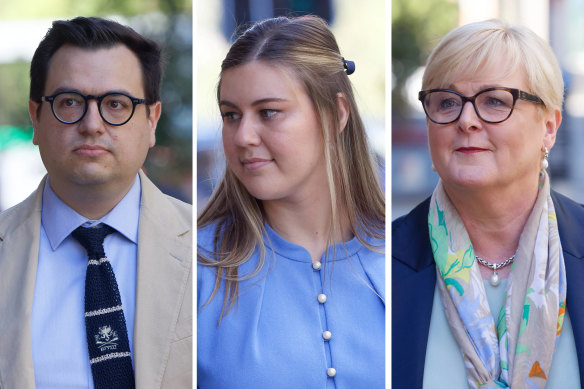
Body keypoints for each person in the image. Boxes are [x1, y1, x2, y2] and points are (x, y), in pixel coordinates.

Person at [0, 17, 192, 388]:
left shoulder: (206, 249)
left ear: (152, 120)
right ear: (35, 116)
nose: (92, 124)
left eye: (116, 104)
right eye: (70, 102)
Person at [392, 19, 584, 388]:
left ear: (549, 126)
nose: (466, 120)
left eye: (494, 101)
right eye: (447, 102)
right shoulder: (385, 261)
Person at [197, 15, 385, 389]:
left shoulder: (401, 257)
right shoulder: (196, 269)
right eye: (230, 115)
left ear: (336, 115)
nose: (243, 136)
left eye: (268, 112)